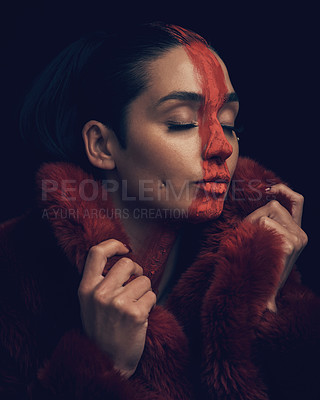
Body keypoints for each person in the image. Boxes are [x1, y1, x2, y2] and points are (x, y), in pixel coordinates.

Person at [0, 22, 319, 400]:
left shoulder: (254, 249)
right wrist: (102, 364)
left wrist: (259, 299)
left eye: (230, 123)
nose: (223, 147)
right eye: (182, 122)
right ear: (102, 145)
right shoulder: (11, 272)